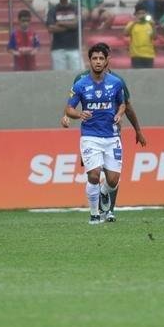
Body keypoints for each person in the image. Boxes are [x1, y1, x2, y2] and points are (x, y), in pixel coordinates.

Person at [64, 43, 128, 224]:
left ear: (107, 60)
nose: (98, 62)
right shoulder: (80, 84)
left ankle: (104, 192)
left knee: (113, 180)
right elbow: (68, 109)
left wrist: (119, 113)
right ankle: (94, 214)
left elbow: (122, 104)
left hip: (112, 136)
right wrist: (79, 114)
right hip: (90, 135)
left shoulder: (116, 83)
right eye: (94, 58)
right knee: (93, 174)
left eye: (101, 58)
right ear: (89, 61)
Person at [46, 0, 82, 71]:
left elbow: (76, 25)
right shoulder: (52, 10)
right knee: (59, 77)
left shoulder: (75, 8)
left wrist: (60, 23)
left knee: (77, 76)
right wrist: (70, 26)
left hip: (74, 48)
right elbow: (51, 29)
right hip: (58, 49)